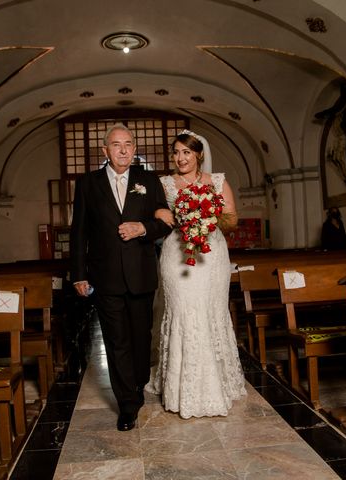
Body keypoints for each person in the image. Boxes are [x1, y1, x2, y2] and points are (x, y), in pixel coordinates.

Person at [69, 123, 172, 431]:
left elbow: (166, 222)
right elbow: (79, 233)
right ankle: (127, 404)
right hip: (105, 275)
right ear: (105, 150)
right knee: (117, 341)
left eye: (128, 143)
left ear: (135, 148)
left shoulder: (148, 180)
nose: (123, 149)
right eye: (116, 144)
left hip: (141, 273)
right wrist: (78, 274)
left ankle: (138, 383)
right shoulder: (88, 183)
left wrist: (143, 229)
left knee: (141, 337)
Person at [146, 130, 247, 419]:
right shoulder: (164, 184)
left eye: (186, 152)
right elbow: (156, 215)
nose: (180, 158)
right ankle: (180, 387)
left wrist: (205, 215)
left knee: (209, 311)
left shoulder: (217, 181)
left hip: (211, 254)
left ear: (199, 154)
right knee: (182, 310)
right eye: (176, 152)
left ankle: (217, 384)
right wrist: (171, 215)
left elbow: (231, 219)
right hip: (177, 253)